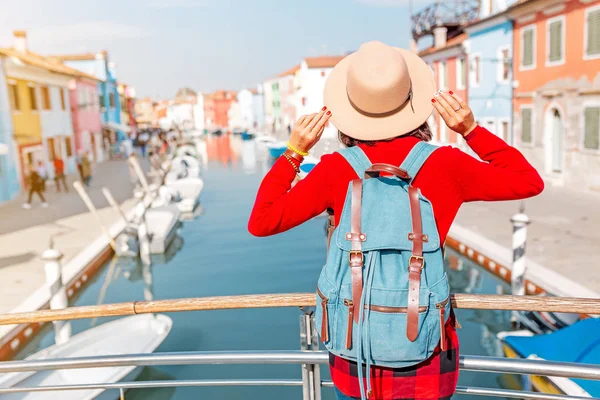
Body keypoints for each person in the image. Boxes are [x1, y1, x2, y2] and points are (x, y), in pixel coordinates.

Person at [248, 41, 544, 400]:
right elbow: (529, 180)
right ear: (413, 102)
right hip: (424, 352)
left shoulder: (334, 170)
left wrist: (294, 151)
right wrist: (470, 130)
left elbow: (261, 221)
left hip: (354, 354)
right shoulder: (448, 164)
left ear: (349, 108)